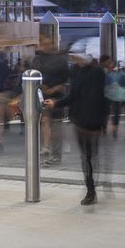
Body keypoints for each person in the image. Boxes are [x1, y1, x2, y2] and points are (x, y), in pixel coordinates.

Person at [51, 52, 109, 204]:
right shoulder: (86, 72)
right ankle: (91, 189)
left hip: (88, 120)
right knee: (89, 156)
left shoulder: (94, 73)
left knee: (88, 157)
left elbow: (76, 96)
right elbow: (75, 96)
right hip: (86, 120)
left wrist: (56, 103)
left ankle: (91, 190)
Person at [33, 37, 70, 164]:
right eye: (42, 44)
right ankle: (47, 148)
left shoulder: (60, 60)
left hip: (56, 95)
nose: (43, 47)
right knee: (45, 121)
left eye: (46, 44)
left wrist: (55, 88)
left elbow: (66, 78)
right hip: (42, 94)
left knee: (55, 124)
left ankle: (55, 153)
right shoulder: (38, 59)